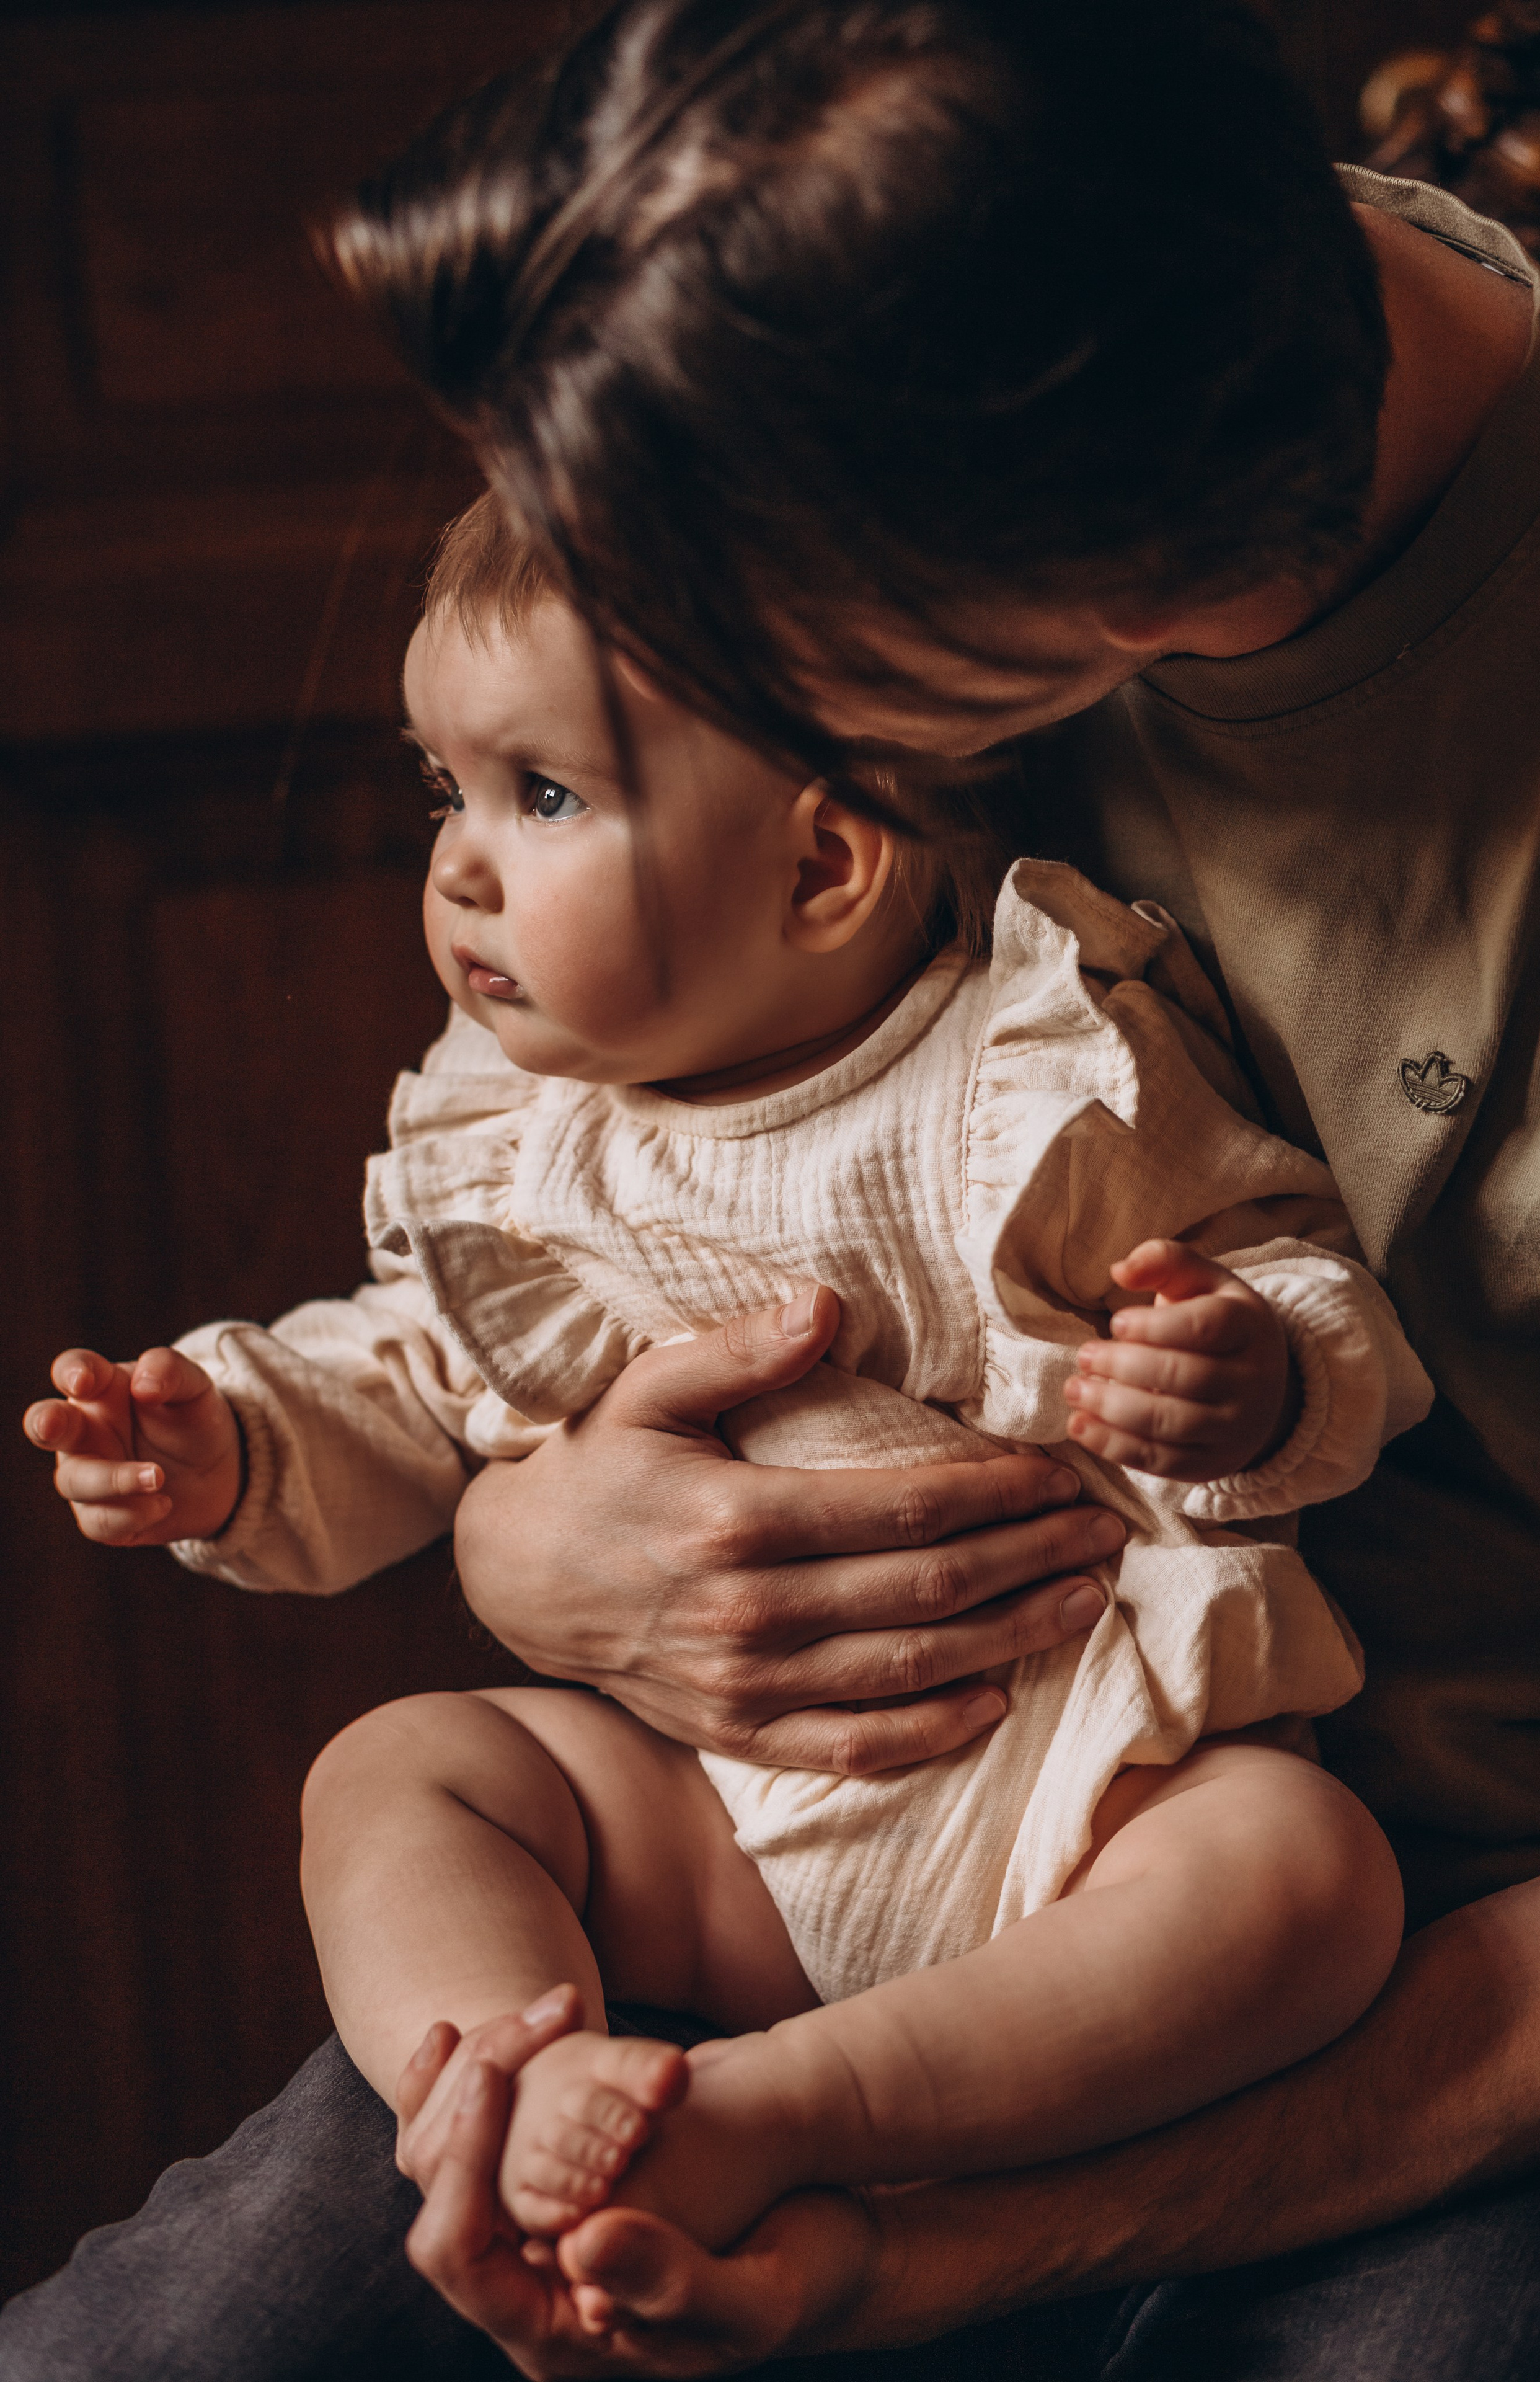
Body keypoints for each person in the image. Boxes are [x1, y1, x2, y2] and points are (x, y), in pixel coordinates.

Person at [4, 2, 1540, 2376]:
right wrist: (542, 1539)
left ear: (1096, 578)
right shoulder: (869, 352)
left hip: (1419, 1963)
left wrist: (916, 2236)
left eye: (748, 651)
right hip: (764, 1855)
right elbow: (545, 1264)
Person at [22, 481, 1420, 2281]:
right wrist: (236, 1443)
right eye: (445, 789)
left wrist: (1247, 1374)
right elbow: (409, 1375)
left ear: (823, 865)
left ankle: (782, 2109)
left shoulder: (1028, 1074)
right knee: (401, 1768)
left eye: (541, 795)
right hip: (727, 1835)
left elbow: (1288, 1265)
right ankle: (510, 2071)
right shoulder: (521, 1142)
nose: (458, 865)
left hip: (1086, 1799)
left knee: (1306, 1875)